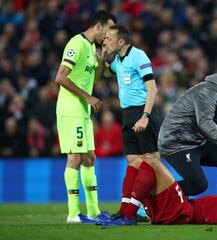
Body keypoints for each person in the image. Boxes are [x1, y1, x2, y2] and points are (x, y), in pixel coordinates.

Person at [54, 10, 116, 223]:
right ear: (98, 27)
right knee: (75, 157)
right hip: (71, 109)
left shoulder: (91, 47)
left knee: (90, 158)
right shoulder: (76, 44)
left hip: (83, 111)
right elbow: (60, 77)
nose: (108, 37)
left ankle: (93, 211)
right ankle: (73, 214)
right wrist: (87, 97)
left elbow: (98, 77)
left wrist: (104, 56)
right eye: (107, 32)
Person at [97, 156, 217, 226]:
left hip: (183, 211)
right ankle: (123, 213)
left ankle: (127, 217)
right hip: (183, 209)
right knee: (136, 162)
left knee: (151, 161)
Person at [101, 25, 162, 218]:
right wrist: (102, 56)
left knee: (152, 161)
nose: (105, 41)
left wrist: (145, 116)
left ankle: (158, 206)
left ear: (121, 41)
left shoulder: (139, 56)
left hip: (142, 112)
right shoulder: (118, 60)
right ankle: (132, 210)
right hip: (127, 114)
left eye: (108, 38)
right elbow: (106, 73)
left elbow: (152, 88)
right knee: (133, 160)